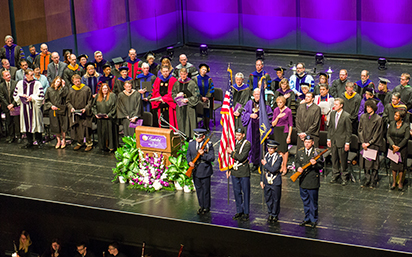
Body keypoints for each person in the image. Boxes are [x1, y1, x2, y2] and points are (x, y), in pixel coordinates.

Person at [242, 88, 273, 172]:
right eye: (255, 94)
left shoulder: (265, 105)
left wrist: (268, 132)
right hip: (251, 129)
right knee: (251, 145)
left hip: (261, 131)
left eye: (258, 94)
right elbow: (244, 113)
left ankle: (260, 163)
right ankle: (252, 162)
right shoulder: (249, 103)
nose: (256, 96)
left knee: (261, 146)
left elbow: (269, 118)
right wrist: (250, 115)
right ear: (253, 95)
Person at [295, 135, 323, 228]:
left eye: (309, 142)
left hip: (312, 180)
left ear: (312, 143)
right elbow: (297, 162)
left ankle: (313, 219)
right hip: (303, 180)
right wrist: (298, 168)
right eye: (305, 142)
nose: (307, 144)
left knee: (313, 202)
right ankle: (307, 218)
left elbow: (321, 166)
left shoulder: (317, 153)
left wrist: (315, 165)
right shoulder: (300, 152)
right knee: (305, 201)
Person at [13, 69, 44, 149]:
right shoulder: (20, 83)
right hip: (25, 107)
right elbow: (15, 94)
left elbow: (41, 96)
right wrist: (22, 96)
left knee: (36, 123)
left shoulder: (37, 84)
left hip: (34, 107)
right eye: (31, 75)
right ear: (26, 75)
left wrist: (32, 98)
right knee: (26, 124)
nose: (32, 76)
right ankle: (29, 141)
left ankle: (39, 140)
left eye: (33, 74)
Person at [187, 128, 214, 214]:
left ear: (203, 137)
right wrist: (189, 162)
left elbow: (212, 158)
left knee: (206, 190)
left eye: (199, 137)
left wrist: (203, 155)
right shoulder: (191, 144)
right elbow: (188, 154)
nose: (197, 139)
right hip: (195, 170)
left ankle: (206, 207)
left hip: (205, 169)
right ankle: (201, 206)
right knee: (199, 189)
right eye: (196, 136)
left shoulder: (208, 145)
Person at [226, 127, 251, 221]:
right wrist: (228, 169)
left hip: (243, 171)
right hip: (234, 171)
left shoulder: (247, 144)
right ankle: (239, 210)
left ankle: (246, 212)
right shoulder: (233, 143)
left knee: (245, 192)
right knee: (237, 192)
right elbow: (230, 159)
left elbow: (241, 157)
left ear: (243, 135)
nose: (237, 137)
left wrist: (231, 152)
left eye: (239, 135)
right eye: (236, 135)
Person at [358, 100, 383, 188]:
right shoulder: (363, 117)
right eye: (367, 107)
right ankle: (367, 179)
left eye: (369, 107)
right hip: (364, 143)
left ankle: (373, 180)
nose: (367, 109)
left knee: (373, 163)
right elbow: (360, 130)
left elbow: (378, 133)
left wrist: (369, 143)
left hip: (373, 144)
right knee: (365, 163)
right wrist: (363, 142)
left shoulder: (378, 119)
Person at [327, 98, 352, 185]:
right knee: (334, 159)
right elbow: (330, 127)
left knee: (343, 160)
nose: (334, 106)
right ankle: (335, 175)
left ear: (341, 105)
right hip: (334, 140)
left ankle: (344, 176)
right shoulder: (333, 114)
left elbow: (349, 131)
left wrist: (347, 142)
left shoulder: (346, 116)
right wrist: (329, 139)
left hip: (342, 141)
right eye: (334, 104)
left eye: (336, 104)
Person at [67, 74, 93, 152]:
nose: (77, 83)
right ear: (73, 82)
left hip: (85, 113)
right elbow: (67, 101)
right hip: (76, 113)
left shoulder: (86, 89)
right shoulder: (71, 90)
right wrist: (71, 108)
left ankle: (89, 143)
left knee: (86, 128)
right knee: (78, 128)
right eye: (75, 82)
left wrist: (86, 108)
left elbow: (90, 101)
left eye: (78, 81)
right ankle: (79, 142)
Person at [172, 68, 200, 139]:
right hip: (180, 106)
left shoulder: (192, 83)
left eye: (184, 74)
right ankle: (182, 137)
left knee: (190, 122)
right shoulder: (177, 83)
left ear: (187, 74)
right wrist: (176, 96)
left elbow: (196, 96)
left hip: (189, 106)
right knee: (181, 121)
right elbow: (173, 94)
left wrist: (188, 99)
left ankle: (190, 138)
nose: (183, 76)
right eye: (181, 74)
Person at [260, 139, 282, 223]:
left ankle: (274, 214)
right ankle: (270, 213)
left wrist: (265, 164)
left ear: (275, 149)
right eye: (269, 148)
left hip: (275, 181)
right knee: (268, 197)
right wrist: (261, 180)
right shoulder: (265, 156)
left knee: (275, 199)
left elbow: (273, 169)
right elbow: (262, 170)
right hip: (266, 180)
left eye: (272, 148)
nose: (269, 150)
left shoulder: (278, 158)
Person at [44, 76, 69, 149]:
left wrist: (63, 86)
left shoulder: (62, 89)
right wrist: (51, 106)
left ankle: (63, 140)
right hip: (53, 110)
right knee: (56, 126)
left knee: (62, 126)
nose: (58, 83)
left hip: (61, 109)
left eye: (60, 82)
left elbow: (64, 95)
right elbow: (47, 100)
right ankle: (58, 140)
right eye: (57, 81)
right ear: (54, 81)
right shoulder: (49, 89)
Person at [387, 110, 409, 191]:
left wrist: (398, 147)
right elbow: (388, 135)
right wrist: (393, 145)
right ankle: (393, 182)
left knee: (401, 166)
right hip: (393, 147)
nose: (394, 116)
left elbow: (406, 138)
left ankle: (400, 182)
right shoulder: (392, 124)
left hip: (402, 148)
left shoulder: (406, 126)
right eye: (395, 115)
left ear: (401, 117)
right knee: (393, 166)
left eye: (396, 115)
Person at [93, 83, 118, 152]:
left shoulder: (112, 96)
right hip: (100, 119)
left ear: (108, 89)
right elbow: (94, 106)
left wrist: (109, 115)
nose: (105, 90)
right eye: (103, 88)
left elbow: (115, 107)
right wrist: (95, 114)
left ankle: (111, 147)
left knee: (110, 132)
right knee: (101, 132)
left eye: (106, 88)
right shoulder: (98, 96)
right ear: (101, 89)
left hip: (109, 118)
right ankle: (103, 146)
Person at [271, 96, 293, 175]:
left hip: (284, 130)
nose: (279, 104)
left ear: (284, 103)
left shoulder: (288, 111)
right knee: (279, 150)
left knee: (284, 150)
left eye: (280, 102)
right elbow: (273, 124)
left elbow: (290, 124)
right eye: (278, 103)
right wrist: (278, 117)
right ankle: (281, 166)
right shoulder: (276, 110)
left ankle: (284, 167)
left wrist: (289, 136)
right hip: (277, 131)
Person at [0, 70, 20, 143]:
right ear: (3, 77)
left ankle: (18, 136)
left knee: (16, 122)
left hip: (14, 106)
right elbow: (1, 96)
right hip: (6, 107)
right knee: (9, 122)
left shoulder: (15, 83)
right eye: (6, 75)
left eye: (9, 74)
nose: (9, 76)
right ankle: (11, 136)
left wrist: (13, 104)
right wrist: (8, 105)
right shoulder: (1, 85)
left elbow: (18, 94)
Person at [193, 63, 214, 131]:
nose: (203, 71)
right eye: (202, 69)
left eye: (205, 70)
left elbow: (211, 89)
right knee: (199, 111)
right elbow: (194, 89)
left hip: (207, 100)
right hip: (198, 99)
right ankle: (198, 125)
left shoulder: (209, 79)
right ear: (200, 70)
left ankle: (206, 126)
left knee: (206, 112)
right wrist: (201, 97)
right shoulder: (195, 79)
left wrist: (207, 97)